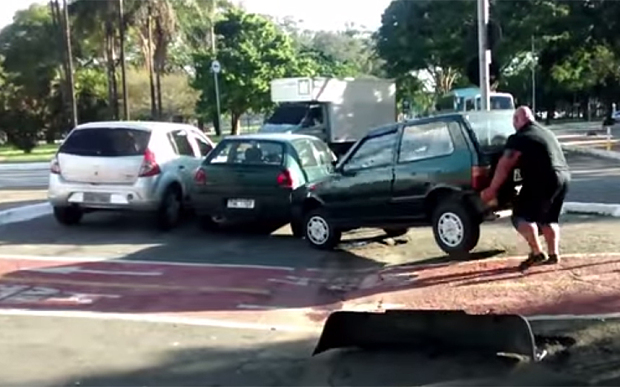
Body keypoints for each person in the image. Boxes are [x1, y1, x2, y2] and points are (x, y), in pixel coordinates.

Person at [481, 106, 571, 271]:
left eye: (514, 121)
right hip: (563, 178)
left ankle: (537, 253)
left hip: (543, 179)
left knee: (521, 216)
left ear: (517, 120)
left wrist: (492, 189)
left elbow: (505, 164)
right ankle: (553, 254)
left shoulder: (519, 137)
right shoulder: (546, 132)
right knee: (548, 218)